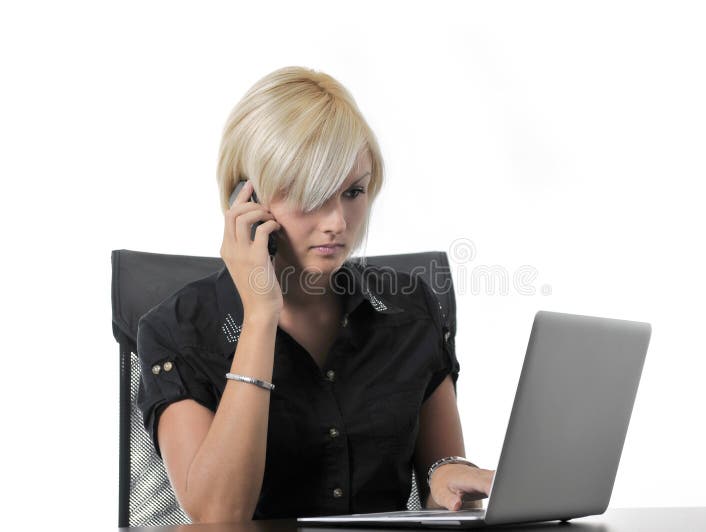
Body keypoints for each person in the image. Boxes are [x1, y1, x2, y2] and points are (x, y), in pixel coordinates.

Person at [136, 66, 495, 524]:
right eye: (310, 194)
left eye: (353, 192)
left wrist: (447, 477)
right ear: (244, 200)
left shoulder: (410, 308)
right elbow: (217, 517)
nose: (338, 223)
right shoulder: (177, 329)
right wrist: (261, 316)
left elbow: (445, 486)